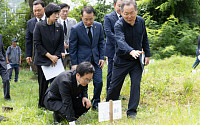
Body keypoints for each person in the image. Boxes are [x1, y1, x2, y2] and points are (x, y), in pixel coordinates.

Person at [106, 0, 151, 119]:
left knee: (135, 85)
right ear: (121, 12)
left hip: (136, 60)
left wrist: (147, 54)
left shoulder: (141, 21)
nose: (129, 16)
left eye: (132, 13)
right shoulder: (118, 24)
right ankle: (108, 111)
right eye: (126, 13)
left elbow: (144, 37)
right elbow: (120, 41)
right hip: (122, 60)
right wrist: (131, 51)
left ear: (136, 11)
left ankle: (132, 112)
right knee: (114, 87)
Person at [69, 6, 105, 110]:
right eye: (86, 19)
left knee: (99, 82)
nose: (88, 21)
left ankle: (96, 103)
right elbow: (73, 48)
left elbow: (102, 42)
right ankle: (84, 105)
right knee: (83, 84)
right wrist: (74, 63)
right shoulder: (75, 29)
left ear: (94, 16)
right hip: (82, 61)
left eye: (91, 19)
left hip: (96, 60)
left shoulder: (98, 26)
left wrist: (102, 57)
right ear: (81, 17)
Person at [33, 3, 64, 108]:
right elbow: (37, 44)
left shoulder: (59, 26)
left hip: (56, 61)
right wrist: (50, 56)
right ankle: (42, 105)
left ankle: (54, 104)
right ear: (49, 14)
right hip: (43, 60)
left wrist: (55, 57)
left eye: (58, 14)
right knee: (43, 85)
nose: (57, 16)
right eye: (55, 14)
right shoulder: (39, 26)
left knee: (57, 84)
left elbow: (61, 44)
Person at [104, 0, 123, 93]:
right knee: (111, 72)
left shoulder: (126, 17)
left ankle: (117, 93)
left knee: (120, 73)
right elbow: (108, 32)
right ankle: (109, 93)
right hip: (112, 49)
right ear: (115, 5)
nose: (121, 8)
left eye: (123, 6)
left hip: (124, 50)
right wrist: (120, 41)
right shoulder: (108, 17)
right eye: (119, 5)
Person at [25, 0, 45, 65]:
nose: (37, 13)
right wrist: (28, 55)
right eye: (35, 11)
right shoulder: (30, 23)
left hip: (51, 54)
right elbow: (28, 40)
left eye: (39, 10)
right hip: (38, 54)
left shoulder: (51, 19)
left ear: (44, 9)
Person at [58, 3, 77, 69]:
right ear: (59, 11)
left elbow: (75, 34)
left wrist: (70, 43)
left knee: (73, 68)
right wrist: (62, 43)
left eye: (67, 11)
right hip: (60, 49)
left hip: (71, 48)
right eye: (63, 11)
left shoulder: (73, 21)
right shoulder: (56, 22)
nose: (65, 13)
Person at [0, 34, 11, 100]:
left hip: (2, 63)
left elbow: (2, 50)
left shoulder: (0, 36)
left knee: (6, 79)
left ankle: (7, 97)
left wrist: (5, 62)